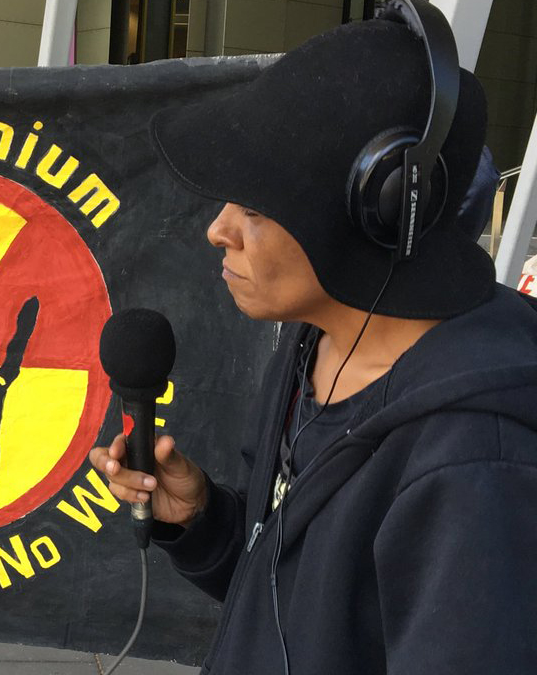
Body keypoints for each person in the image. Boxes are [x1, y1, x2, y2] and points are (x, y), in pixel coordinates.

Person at [90, 12, 537, 675]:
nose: (218, 230)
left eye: (254, 208)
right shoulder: (314, 345)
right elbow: (293, 601)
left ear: (381, 206)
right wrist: (202, 519)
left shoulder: (473, 463)